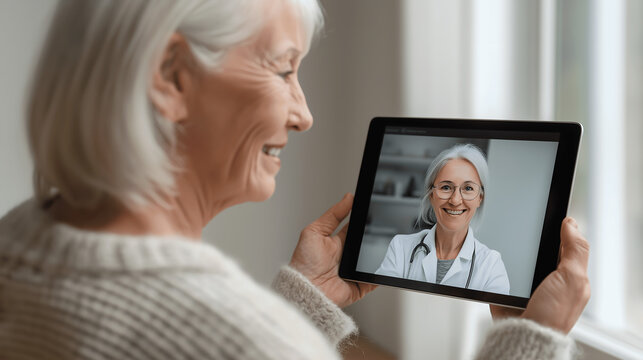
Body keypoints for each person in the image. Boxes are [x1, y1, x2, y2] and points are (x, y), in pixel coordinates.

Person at [0, 0, 590, 359]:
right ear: (171, 76)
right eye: (283, 68)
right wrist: (530, 346)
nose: (304, 114)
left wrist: (302, 306)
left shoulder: (19, 241)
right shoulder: (235, 338)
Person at [376, 144, 510, 295]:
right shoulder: (400, 248)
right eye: (446, 187)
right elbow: (381, 305)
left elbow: (500, 319)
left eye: (468, 188)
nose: (455, 200)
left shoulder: (491, 264)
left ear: (480, 198)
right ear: (431, 195)